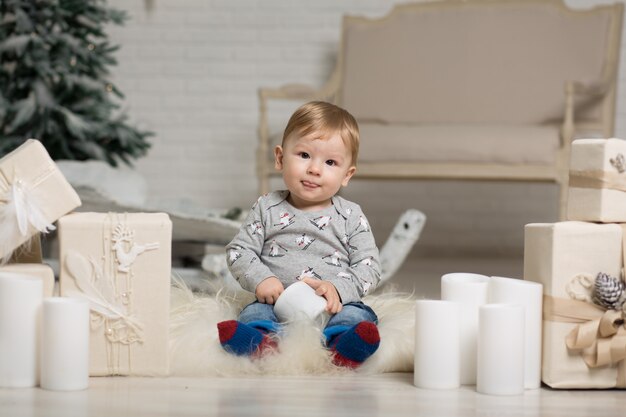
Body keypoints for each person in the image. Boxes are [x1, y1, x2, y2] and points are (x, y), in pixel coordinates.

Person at [219, 101, 381, 368]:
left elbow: (369, 266)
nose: (314, 169)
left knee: (356, 315)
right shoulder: (267, 207)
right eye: (304, 155)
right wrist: (262, 279)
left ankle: (343, 345)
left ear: (346, 175)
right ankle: (261, 342)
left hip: (331, 307)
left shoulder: (350, 215)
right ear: (281, 158)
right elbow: (240, 251)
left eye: (330, 162)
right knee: (254, 313)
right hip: (277, 302)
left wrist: (339, 290)